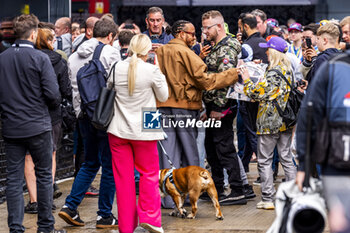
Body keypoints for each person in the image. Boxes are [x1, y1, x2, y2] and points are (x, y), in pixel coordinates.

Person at [156, 19, 240, 208]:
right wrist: (234, 74)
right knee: (191, 155)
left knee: (168, 154)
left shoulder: (160, 51)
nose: (195, 37)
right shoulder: (186, 52)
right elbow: (206, 81)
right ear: (180, 33)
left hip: (161, 107)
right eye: (192, 33)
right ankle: (190, 196)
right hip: (185, 107)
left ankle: (170, 200)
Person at [0, 14, 65, 233]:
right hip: (38, 125)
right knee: (45, 176)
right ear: (34, 33)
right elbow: (53, 95)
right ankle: (46, 227)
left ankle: (15, 228)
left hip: (12, 127)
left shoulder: (3, 58)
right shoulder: (40, 58)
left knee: (14, 179)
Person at [58, 18, 121, 229]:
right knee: (109, 166)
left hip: (83, 116)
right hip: (104, 116)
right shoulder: (110, 52)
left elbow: (71, 88)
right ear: (110, 36)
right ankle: (105, 215)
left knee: (90, 162)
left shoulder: (74, 56)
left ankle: (70, 206)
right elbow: (117, 83)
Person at [108, 33, 168, 233]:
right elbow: (163, 96)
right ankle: (150, 218)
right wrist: (158, 69)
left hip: (118, 126)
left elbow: (109, 89)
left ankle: (126, 227)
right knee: (149, 174)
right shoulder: (151, 70)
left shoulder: (117, 67)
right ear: (148, 50)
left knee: (123, 180)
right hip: (147, 122)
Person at [240, 36, 297, 210]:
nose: (265, 52)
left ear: (273, 52)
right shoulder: (287, 69)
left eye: (267, 49)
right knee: (287, 158)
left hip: (269, 122)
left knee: (264, 160)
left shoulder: (273, 72)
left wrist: (247, 78)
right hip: (285, 122)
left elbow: (257, 94)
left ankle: (267, 198)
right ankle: (293, 197)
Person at [296, 52, 350, 233]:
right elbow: (309, 116)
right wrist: (303, 166)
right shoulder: (333, 67)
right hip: (339, 163)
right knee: (341, 222)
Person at [201, 10, 248, 205]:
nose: (204, 32)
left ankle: (237, 189)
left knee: (224, 147)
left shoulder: (228, 46)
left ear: (219, 27)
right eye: (203, 27)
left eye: (207, 28)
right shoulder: (214, 46)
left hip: (223, 106)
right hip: (212, 104)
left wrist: (218, 108)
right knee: (211, 147)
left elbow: (226, 79)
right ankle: (217, 187)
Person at [24, 25, 72, 214]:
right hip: (52, 115)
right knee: (50, 155)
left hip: (30, 113)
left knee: (29, 157)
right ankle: (46, 198)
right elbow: (66, 90)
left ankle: (34, 200)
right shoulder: (59, 61)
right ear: (50, 41)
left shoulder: (28, 59)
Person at [237, 12, 268, 173]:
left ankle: (264, 173)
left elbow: (238, 69)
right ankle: (244, 167)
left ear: (246, 26)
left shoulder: (246, 46)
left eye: (240, 27)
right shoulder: (265, 43)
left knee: (253, 135)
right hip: (264, 97)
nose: (239, 30)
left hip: (248, 96)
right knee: (255, 136)